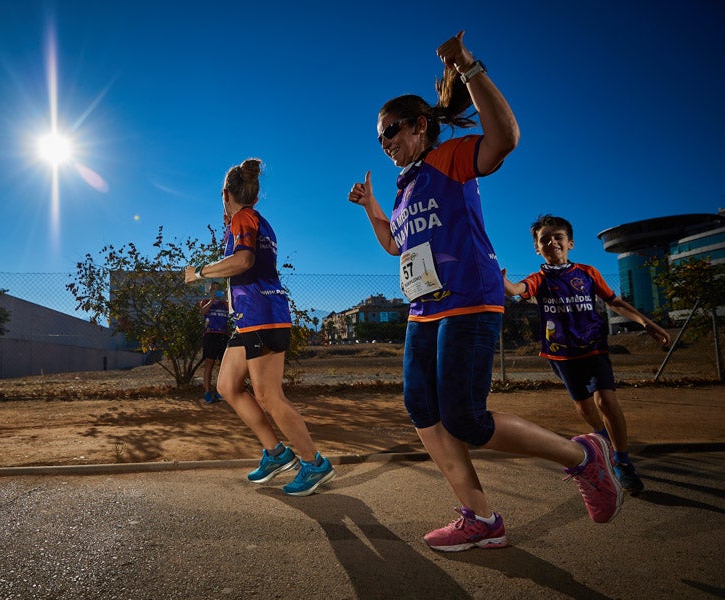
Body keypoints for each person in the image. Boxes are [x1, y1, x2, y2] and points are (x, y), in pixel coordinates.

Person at [347, 31, 622, 551]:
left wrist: (468, 67)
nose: (384, 143)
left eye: (391, 131)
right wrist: (371, 206)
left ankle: (585, 456)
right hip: (424, 309)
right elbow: (393, 245)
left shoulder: (448, 160)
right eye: (379, 138)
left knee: (466, 419)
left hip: (469, 300)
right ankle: (481, 519)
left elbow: (506, 138)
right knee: (421, 408)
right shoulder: (405, 192)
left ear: (420, 125)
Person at [185, 158, 335, 496]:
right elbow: (244, 261)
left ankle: (315, 464)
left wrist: (200, 271)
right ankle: (276, 453)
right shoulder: (254, 220)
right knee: (226, 386)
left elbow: (244, 261)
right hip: (252, 319)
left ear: (225, 193)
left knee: (269, 395)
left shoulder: (243, 219)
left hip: (263, 317)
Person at [503, 214, 671, 494]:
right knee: (584, 407)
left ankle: (623, 461)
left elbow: (614, 301)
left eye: (558, 237)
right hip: (561, 355)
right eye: (545, 239)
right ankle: (604, 439)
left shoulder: (588, 273)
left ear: (570, 243)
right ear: (537, 248)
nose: (552, 242)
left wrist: (647, 323)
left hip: (593, 348)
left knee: (606, 401)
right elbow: (517, 289)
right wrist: (504, 284)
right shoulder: (539, 279)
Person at [199, 282, 229, 404]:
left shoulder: (225, 304)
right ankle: (207, 392)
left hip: (222, 335)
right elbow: (202, 312)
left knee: (224, 365)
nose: (216, 292)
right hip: (210, 335)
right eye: (213, 290)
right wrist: (212, 300)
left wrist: (226, 297)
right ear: (210, 291)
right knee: (209, 364)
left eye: (218, 290)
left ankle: (220, 391)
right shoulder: (205, 301)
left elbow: (233, 311)